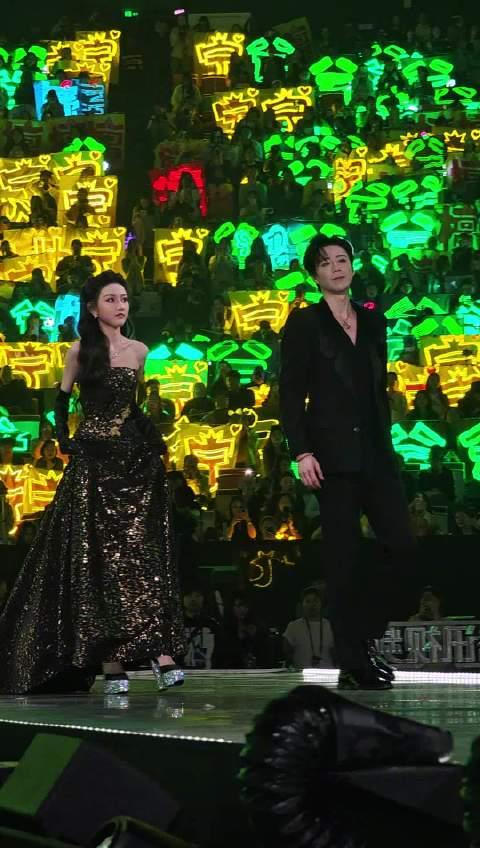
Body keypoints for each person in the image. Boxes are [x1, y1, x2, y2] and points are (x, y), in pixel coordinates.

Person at [0, 271, 184, 696]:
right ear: (92, 308)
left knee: (141, 556)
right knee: (95, 561)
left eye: (124, 299)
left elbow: (131, 407)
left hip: (132, 464)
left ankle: (159, 654)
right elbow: (61, 401)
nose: (120, 305)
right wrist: (65, 440)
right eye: (111, 299)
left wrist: (153, 441)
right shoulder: (80, 351)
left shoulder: (140, 351)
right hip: (93, 464)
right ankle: (110, 662)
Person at [279, 234, 415, 691]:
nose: (336, 267)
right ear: (314, 274)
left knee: (401, 547)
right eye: (326, 262)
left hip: (376, 453)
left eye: (342, 259)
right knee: (342, 561)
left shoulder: (373, 321)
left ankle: (365, 634)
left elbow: (376, 389)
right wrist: (301, 451)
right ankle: (354, 661)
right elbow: (291, 393)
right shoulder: (304, 323)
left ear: (353, 266)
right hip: (331, 458)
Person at [283, 587, 335, 669]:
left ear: (321, 604)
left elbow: (336, 652)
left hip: (327, 673)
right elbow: (286, 651)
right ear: (302, 604)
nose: (312, 605)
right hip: (301, 673)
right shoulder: (293, 626)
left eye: (315, 601)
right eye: (308, 601)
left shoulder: (330, 625)